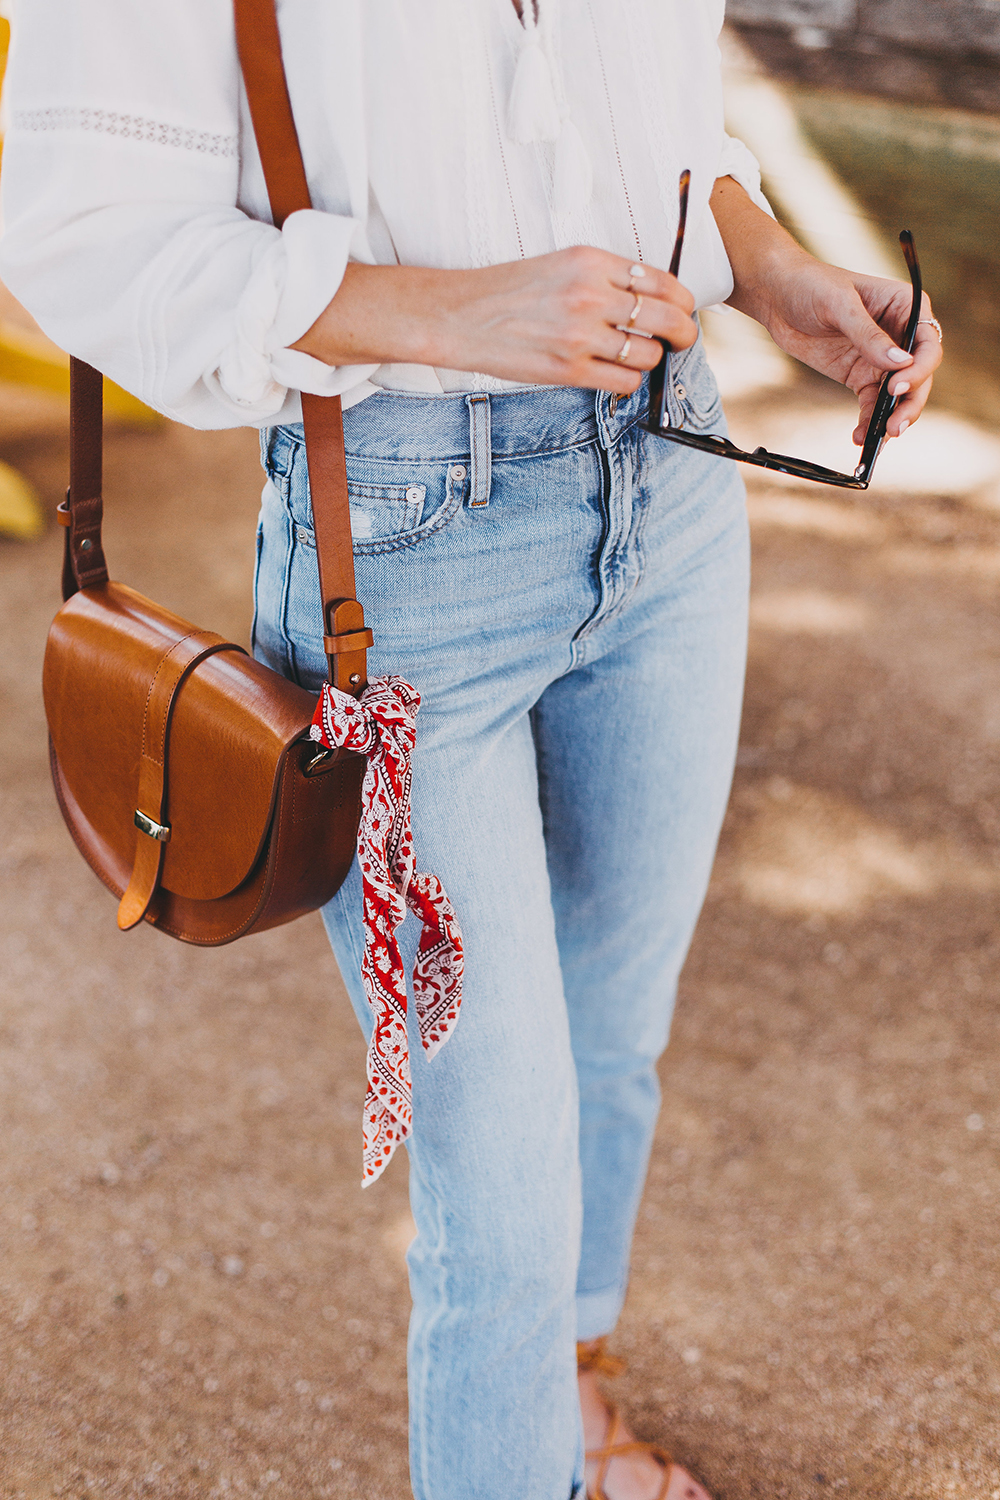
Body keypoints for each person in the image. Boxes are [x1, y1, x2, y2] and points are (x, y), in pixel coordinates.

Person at [0, 2, 940, 1496]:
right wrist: (448, 310)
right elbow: (83, 234)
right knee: (496, 1193)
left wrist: (776, 275)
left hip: (674, 490)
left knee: (613, 1034)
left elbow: (658, 120)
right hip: (405, 558)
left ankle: (565, 1404)